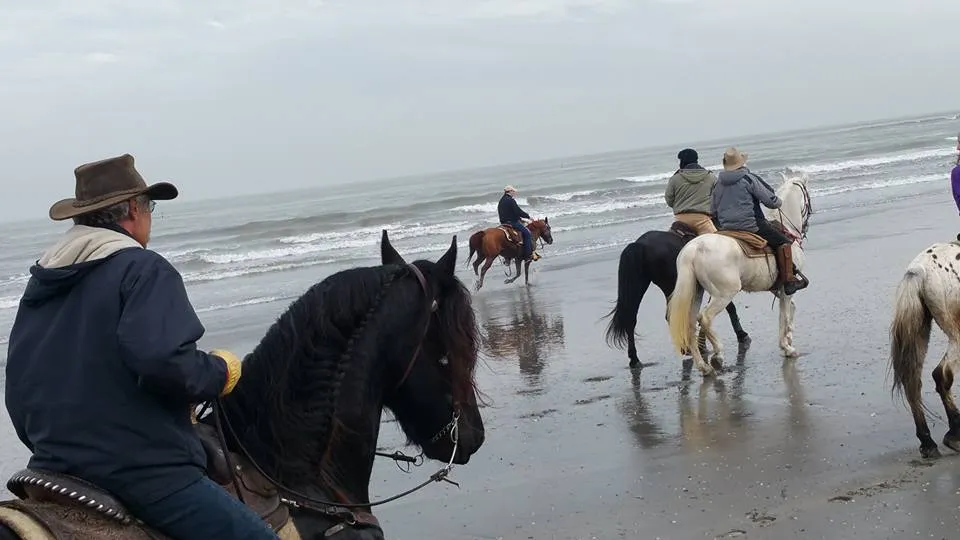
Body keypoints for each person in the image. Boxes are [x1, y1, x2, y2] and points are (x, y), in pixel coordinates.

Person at [4, 154, 278, 540]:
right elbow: (164, 361)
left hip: (51, 468)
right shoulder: (142, 269)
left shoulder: (44, 281)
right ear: (133, 209)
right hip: (141, 472)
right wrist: (220, 371)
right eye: (150, 207)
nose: (149, 217)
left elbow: (17, 390)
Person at [711, 147, 808, 295]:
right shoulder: (747, 179)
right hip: (751, 225)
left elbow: (712, 210)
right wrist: (778, 202)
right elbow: (770, 201)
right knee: (784, 242)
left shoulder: (719, 184)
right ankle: (789, 280)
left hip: (726, 229)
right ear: (741, 163)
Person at [664, 148, 718, 235]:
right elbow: (717, 199)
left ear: (682, 162)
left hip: (680, 220)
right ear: (696, 160)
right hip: (702, 219)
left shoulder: (675, 178)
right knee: (717, 243)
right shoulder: (711, 177)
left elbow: (669, 200)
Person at [497, 185, 540, 261]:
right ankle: (528, 255)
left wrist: (520, 219)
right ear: (510, 192)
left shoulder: (501, 200)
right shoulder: (511, 200)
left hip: (503, 222)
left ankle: (507, 259)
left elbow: (509, 212)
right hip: (512, 222)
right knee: (527, 233)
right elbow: (518, 211)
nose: (514, 193)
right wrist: (528, 217)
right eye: (513, 192)